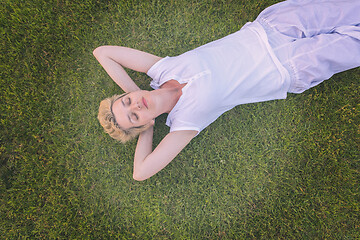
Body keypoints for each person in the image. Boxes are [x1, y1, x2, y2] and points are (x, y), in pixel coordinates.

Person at [94, 0, 360, 181]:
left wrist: (137, 93)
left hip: (273, 27)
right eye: (134, 117)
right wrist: (147, 128)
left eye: (127, 102)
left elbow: (103, 53)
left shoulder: (162, 69)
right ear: (146, 124)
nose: (135, 106)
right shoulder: (185, 123)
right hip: (290, 67)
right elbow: (140, 172)